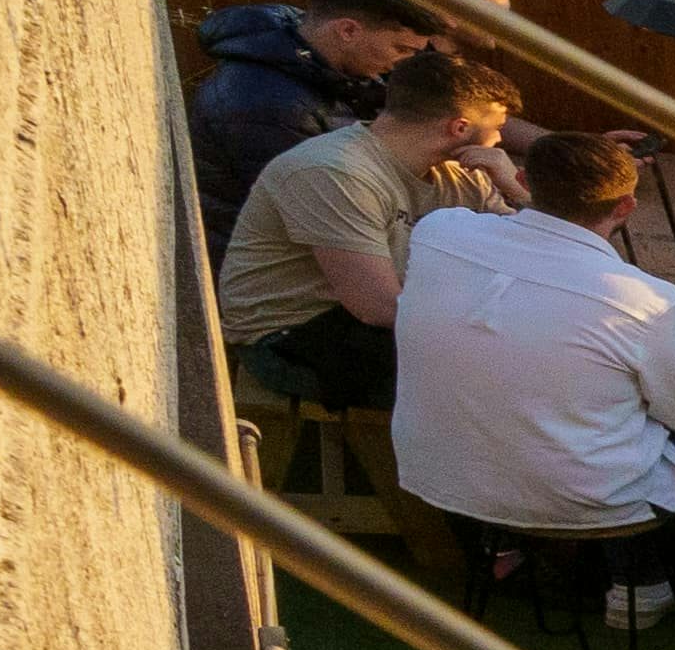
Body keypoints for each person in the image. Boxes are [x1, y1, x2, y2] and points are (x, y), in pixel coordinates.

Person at [390, 126, 675, 650]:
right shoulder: (650, 303)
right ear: (626, 207)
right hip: (582, 500)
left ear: (523, 180)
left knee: (621, 420)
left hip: (442, 476)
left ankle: (641, 587)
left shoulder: (439, 232)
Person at [212, 38, 517, 410]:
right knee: (504, 384)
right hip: (294, 333)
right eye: (498, 127)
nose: (500, 140)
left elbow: (538, 257)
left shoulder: (467, 173)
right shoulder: (334, 171)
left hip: (387, 320)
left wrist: (515, 188)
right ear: (459, 127)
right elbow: (378, 307)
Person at [188, 0, 448, 230]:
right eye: (401, 49)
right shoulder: (269, 105)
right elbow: (326, 213)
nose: (404, 62)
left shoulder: (327, 65)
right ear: (347, 30)